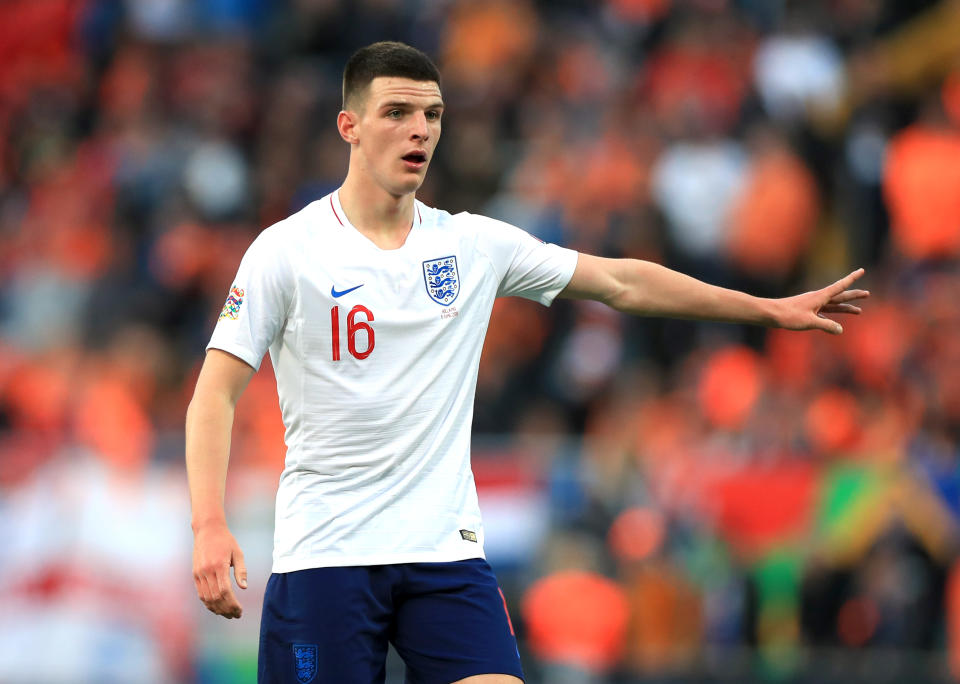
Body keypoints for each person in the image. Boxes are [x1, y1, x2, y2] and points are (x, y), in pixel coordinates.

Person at [186, 41, 868, 684]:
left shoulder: (471, 245)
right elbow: (214, 394)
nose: (418, 129)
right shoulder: (287, 251)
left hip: (443, 553)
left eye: (432, 115)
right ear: (350, 126)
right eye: (396, 112)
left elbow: (622, 282)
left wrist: (767, 309)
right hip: (328, 556)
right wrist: (210, 525)